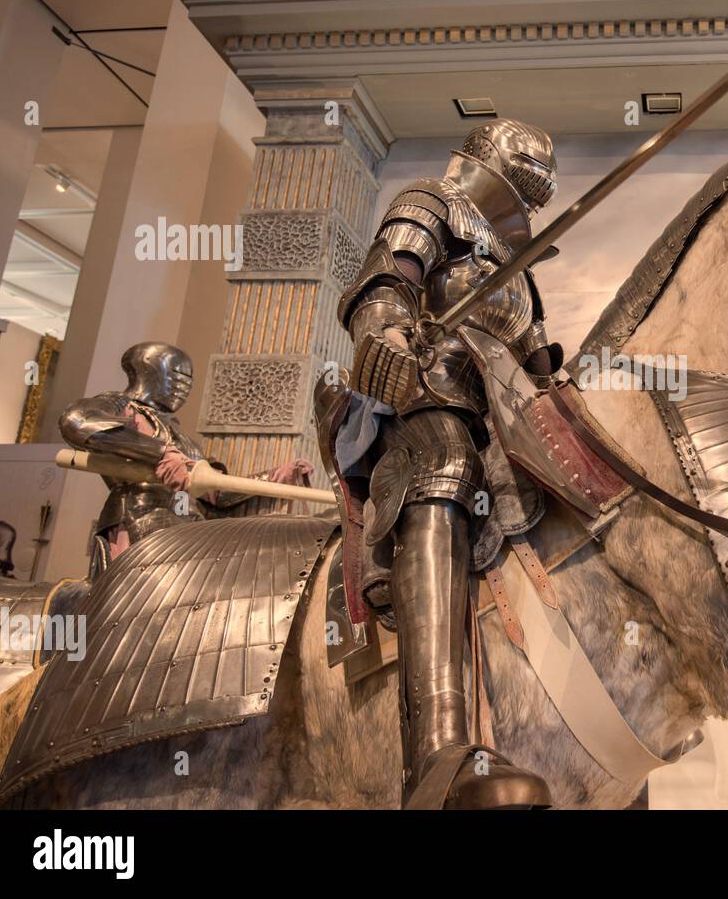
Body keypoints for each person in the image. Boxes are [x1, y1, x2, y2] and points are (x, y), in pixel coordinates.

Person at [322, 118, 562, 809]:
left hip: (507, 418)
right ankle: (441, 750)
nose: (522, 206)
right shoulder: (429, 204)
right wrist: (387, 331)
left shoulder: (521, 272)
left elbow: (540, 361)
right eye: (521, 188)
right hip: (422, 394)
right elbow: (382, 285)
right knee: (445, 460)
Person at [60, 342, 314, 577]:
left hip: (187, 523)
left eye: (188, 380)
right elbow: (76, 422)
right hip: (140, 514)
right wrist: (159, 452)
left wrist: (277, 477)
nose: (184, 386)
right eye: (178, 376)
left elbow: (214, 492)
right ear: (148, 370)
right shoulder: (123, 406)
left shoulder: (178, 432)